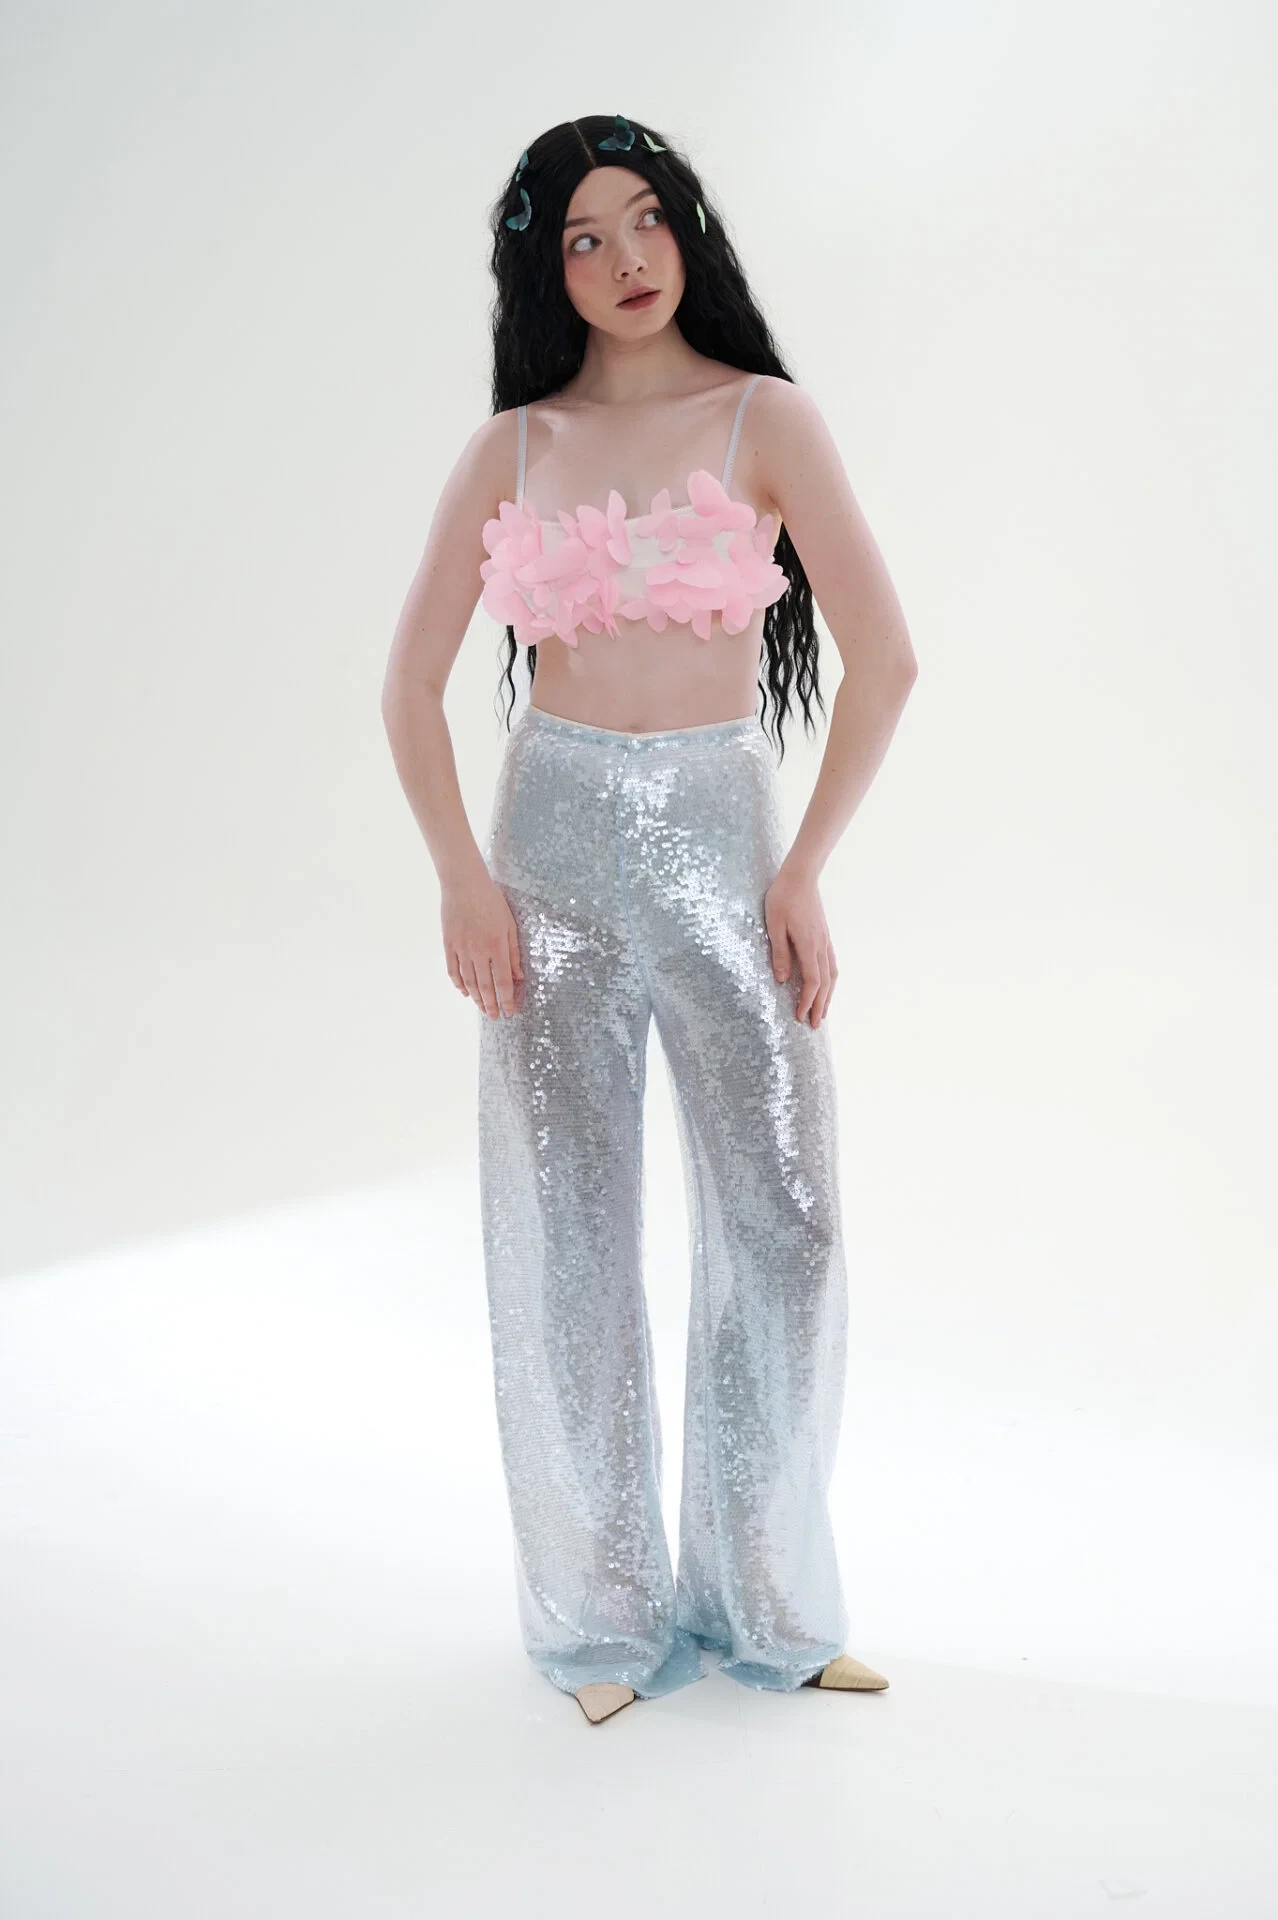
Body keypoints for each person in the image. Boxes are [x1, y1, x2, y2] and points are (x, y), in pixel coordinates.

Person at [381, 114, 917, 1726]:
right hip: (545, 844)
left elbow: (886, 660)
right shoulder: (513, 446)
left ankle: (764, 1599)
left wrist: (799, 870)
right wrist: (462, 880)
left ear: (688, 226)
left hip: (716, 838)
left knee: (785, 1217)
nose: (623, 261)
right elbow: (408, 687)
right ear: (545, 271)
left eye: (645, 221)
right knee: (567, 1232)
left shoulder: (763, 418)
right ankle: (601, 1615)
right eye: (583, 239)